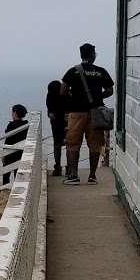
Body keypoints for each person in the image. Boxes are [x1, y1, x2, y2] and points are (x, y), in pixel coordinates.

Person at [61, 43, 115, 186]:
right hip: (95, 112)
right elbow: (110, 90)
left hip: (76, 112)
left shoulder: (73, 71)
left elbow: (63, 91)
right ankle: (92, 176)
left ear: (81, 55)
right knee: (95, 144)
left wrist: (73, 99)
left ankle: (73, 176)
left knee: (73, 144)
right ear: (92, 55)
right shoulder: (100, 71)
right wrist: (99, 97)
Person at [2, 104, 29, 184]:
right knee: (18, 175)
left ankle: (5, 188)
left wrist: (3, 154)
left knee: (6, 174)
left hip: (10, 154)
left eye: (12, 112)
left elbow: (7, 140)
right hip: (20, 153)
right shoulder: (26, 124)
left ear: (15, 113)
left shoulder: (11, 125)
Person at [46, 80, 67, 177]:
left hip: (56, 123)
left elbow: (49, 111)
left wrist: (51, 115)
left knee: (57, 145)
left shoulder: (49, 96)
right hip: (67, 121)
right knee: (69, 144)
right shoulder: (66, 94)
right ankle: (69, 167)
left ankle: (58, 167)